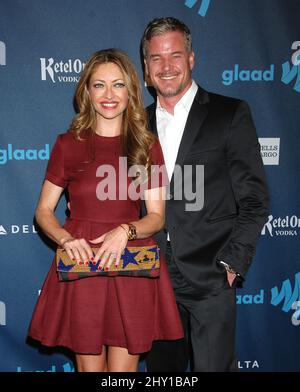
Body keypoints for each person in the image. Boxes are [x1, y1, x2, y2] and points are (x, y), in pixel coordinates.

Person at [28, 48, 183, 372]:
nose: (109, 95)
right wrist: (65, 239)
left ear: (131, 91)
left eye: (118, 85)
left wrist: (125, 231)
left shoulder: (144, 145)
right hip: (84, 260)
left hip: (131, 262)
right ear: (86, 91)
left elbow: (156, 217)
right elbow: (43, 211)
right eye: (99, 85)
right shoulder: (68, 145)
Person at [142, 17, 269, 372]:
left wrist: (233, 263)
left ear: (192, 58)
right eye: (156, 58)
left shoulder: (229, 114)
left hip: (211, 275)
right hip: (153, 278)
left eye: (175, 55)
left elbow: (255, 199)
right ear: (146, 66)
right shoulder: (138, 123)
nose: (166, 67)